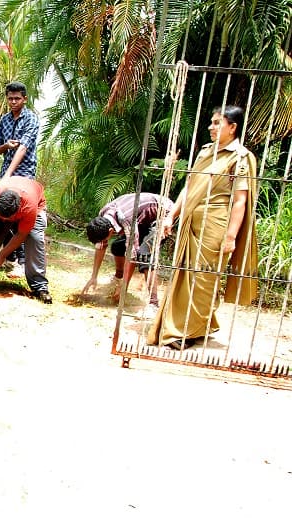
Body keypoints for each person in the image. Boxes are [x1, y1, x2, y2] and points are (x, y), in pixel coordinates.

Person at [147, 105, 258, 351]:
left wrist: (231, 237)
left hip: (215, 225)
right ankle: (192, 326)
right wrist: (170, 216)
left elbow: (240, 200)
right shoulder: (206, 152)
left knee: (204, 278)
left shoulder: (240, 157)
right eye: (211, 121)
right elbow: (189, 186)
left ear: (233, 127)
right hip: (191, 220)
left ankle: (186, 330)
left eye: (218, 123)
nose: (211, 126)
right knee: (184, 274)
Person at [82, 192, 173, 308]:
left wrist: (124, 286)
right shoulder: (103, 215)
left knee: (144, 255)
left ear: (110, 231)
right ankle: (118, 278)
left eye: (104, 240)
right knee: (117, 247)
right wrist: (94, 276)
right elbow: (101, 246)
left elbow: (132, 255)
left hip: (165, 215)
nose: (103, 243)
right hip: (142, 218)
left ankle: (153, 303)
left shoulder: (126, 220)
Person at [0, 81, 40, 273]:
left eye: (17, 99)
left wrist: (8, 175)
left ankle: (21, 260)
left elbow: (23, 147)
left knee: (19, 215)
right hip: (6, 172)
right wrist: (6, 147)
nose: (13, 102)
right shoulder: (4, 120)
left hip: (25, 173)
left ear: (25, 99)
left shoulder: (31, 118)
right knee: (3, 213)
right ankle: (9, 256)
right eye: (10, 98)